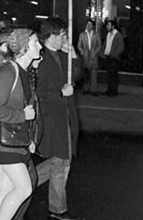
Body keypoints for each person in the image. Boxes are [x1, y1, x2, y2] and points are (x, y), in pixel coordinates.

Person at [0, 29, 43, 220]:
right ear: (24, 46)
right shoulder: (10, 71)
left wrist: (29, 139)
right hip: (3, 140)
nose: (40, 46)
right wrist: (22, 116)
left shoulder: (24, 72)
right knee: (24, 188)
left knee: (6, 187)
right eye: (35, 43)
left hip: (14, 139)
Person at [35, 17, 82, 220]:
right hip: (53, 119)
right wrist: (61, 94)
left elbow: (76, 77)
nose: (65, 37)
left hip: (65, 117)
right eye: (62, 34)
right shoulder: (42, 59)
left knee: (61, 161)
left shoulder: (60, 55)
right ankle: (57, 209)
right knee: (60, 163)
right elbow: (39, 94)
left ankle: (24, 182)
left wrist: (73, 56)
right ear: (52, 36)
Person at [77, 18, 102, 96]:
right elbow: (79, 45)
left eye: (90, 24)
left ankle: (93, 90)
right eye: (87, 24)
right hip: (85, 56)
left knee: (93, 74)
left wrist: (96, 53)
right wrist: (82, 52)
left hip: (93, 56)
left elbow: (99, 45)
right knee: (85, 74)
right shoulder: (82, 34)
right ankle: (85, 89)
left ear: (93, 26)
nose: (88, 26)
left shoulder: (96, 34)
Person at [100, 19, 124, 97]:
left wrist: (113, 55)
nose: (107, 26)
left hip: (113, 58)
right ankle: (110, 90)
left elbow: (121, 47)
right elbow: (105, 44)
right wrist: (103, 53)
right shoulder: (108, 34)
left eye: (108, 25)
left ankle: (113, 91)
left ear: (113, 26)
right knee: (109, 75)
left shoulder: (118, 35)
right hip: (108, 57)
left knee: (113, 75)